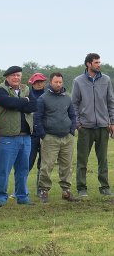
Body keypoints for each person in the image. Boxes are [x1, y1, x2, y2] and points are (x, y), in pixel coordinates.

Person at [0, 66, 37, 206]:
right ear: (7, 77)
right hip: (6, 137)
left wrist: (19, 103)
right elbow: (8, 103)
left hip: (25, 137)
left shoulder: (26, 89)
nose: (16, 78)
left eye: (18, 75)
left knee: (23, 169)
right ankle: (0, 198)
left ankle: (22, 197)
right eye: (13, 75)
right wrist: (24, 102)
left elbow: (34, 106)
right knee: (3, 169)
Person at [72, 53, 114, 197]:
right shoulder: (78, 81)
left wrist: (112, 121)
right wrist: (78, 123)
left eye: (99, 62)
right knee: (82, 160)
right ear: (88, 64)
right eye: (96, 62)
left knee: (103, 159)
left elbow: (110, 102)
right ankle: (81, 188)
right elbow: (74, 104)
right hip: (85, 128)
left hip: (103, 126)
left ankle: (104, 187)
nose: (99, 64)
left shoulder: (106, 80)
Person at [34, 72, 78, 203]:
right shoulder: (43, 98)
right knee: (47, 166)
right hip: (50, 137)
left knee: (67, 166)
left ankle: (66, 191)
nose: (58, 84)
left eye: (60, 82)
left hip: (67, 138)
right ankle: (44, 191)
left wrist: (71, 130)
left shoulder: (67, 98)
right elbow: (37, 117)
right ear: (50, 82)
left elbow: (73, 115)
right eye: (56, 82)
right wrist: (43, 135)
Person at [28, 72, 47, 196]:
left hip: (45, 133)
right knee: (27, 162)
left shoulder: (48, 95)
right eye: (36, 82)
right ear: (32, 83)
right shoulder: (27, 95)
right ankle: (20, 189)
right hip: (31, 134)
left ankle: (41, 189)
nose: (39, 84)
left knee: (43, 163)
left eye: (41, 81)